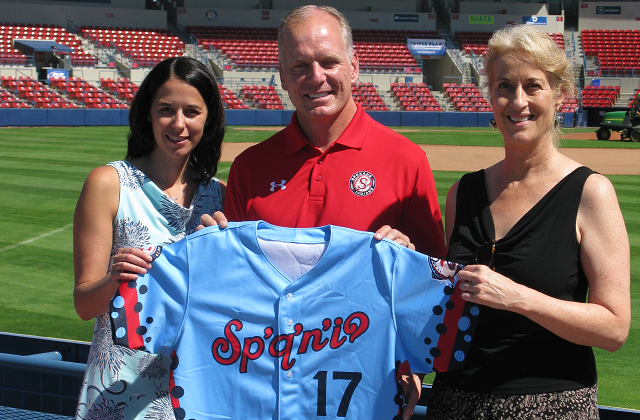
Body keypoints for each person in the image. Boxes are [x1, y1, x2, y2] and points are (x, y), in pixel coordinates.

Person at [200, 6, 446, 417]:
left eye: (328, 61)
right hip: (267, 384)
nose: (315, 77)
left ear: (353, 67)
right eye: (299, 65)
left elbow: (432, 285)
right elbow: (236, 293)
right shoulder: (250, 167)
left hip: (367, 386)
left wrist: (413, 366)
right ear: (282, 75)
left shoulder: (405, 159)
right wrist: (212, 251)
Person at [425, 25, 630, 419]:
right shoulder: (462, 194)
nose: (518, 101)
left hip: (552, 405)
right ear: (490, 95)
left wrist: (517, 297)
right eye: (504, 86)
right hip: (454, 401)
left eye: (533, 85)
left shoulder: (590, 192)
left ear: (560, 95)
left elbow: (614, 328)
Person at [73, 56, 226, 419]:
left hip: (195, 391)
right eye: (165, 110)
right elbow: (84, 305)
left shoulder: (220, 197)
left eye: (192, 111)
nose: (178, 123)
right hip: (117, 393)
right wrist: (114, 278)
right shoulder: (108, 183)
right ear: (146, 113)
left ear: (209, 118)